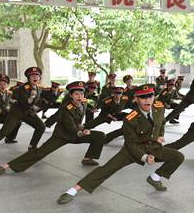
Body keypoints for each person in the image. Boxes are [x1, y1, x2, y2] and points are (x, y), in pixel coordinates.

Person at [56, 85, 185, 203]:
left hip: (153, 146)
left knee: (178, 157)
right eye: (143, 97)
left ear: (154, 97)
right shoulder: (130, 119)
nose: (147, 100)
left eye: (150, 96)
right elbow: (131, 144)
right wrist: (145, 157)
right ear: (136, 99)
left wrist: (160, 135)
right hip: (132, 149)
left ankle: (155, 178)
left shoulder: (159, 107)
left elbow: (161, 122)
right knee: (107, 169)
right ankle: (72, 191)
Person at [0, 81, 105, 175]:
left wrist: (83, 125)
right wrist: (81, 131)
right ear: (71, 96)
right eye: (76, 94)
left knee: (100, 136)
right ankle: (8, 166)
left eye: (81, 94)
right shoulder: (66, 108)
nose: (79, 96)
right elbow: (70, 126)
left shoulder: (83, 102)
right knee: (40, 153)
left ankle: (88, 158)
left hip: (77, 133)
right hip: (62, 136)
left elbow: (81, 116)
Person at [0, 66, 47, 156]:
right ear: (28, 78)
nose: (35, 78)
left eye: (37, 76)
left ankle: (32, 146)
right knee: (4, 132)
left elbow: (39, 101)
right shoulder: (23, 88)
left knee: (41, 126)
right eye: (32, 76)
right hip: (16, 113)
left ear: (39, 78)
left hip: (28, 112)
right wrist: (31, 97)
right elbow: (24, 103)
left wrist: (36, 106)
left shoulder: (39, 88)